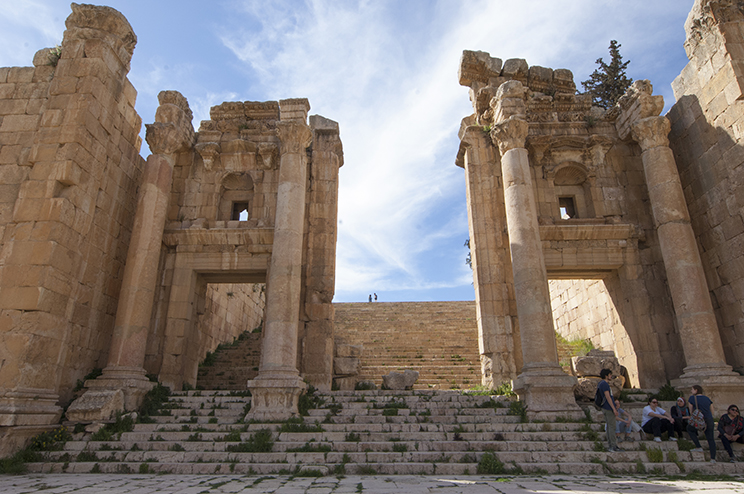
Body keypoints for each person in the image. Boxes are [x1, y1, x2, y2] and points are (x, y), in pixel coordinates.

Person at [687, 384, 716, 463]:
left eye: (692, 389)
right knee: (710, 439)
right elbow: (712, 411)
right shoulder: (707, 398)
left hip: (699, 420)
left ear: (696, 390)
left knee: (690, 429)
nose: (691, 391)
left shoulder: (692, 398)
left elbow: (691, 411)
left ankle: (698, 446)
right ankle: (713, 458)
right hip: (709, 419)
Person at [597, 369, 622, 452]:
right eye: (610, 375)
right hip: (608, 408)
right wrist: (614, 408)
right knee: (612, 427)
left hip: (606, 407)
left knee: (610, 426)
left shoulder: (601, 384)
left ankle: (612, 445)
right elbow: (608, 397)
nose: (611, 376)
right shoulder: (604, 384)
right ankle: (613, 446)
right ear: (606, 376)